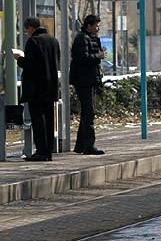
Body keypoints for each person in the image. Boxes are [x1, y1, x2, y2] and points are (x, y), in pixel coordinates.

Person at [15, 17, 61, 161]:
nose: (26, 33)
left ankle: (40, 151)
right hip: (51, 86)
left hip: (36, 88)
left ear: (30, 28)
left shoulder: (33, 41)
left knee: (38, 120)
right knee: (48, 119)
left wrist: (19, 59)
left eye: (26, 29)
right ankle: (48, 152)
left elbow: (30, 64)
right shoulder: (53, 41)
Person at [71, 14, 106, 155]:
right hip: (83, 80)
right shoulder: (82, 38)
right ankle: (88, 145)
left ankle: (81, 145)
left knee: (87, 112)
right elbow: (82, 57)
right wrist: (98, 56)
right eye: (95, 25)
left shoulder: (91, 39)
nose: (97, 28)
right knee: (89, 112)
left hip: (89, 78)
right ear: (89, 26)